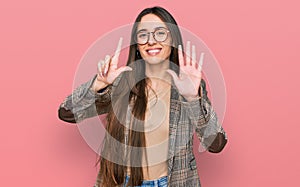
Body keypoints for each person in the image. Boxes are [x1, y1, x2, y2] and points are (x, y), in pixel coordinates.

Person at [58, 6, 228, 187]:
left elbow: (215, 144)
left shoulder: (189, 87)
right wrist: (98, 85)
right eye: (143, 35)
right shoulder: (120, 83)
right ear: (137, 44)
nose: (151, 41)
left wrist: (193, 99)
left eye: (160, 33)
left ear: (173, 39)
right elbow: (67, 112)